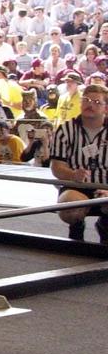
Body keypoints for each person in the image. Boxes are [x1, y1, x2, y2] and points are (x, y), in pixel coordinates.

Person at [49, 82, 108, 242]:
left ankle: (104, 225)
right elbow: (57, 167)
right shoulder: (65, 130)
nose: (90, 105)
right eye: (86, 100)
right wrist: (73, 174)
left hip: (106, 187)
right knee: (70, 208)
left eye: (96, 102)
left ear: (106, 108)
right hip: (76, 187)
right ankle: (77, 227)